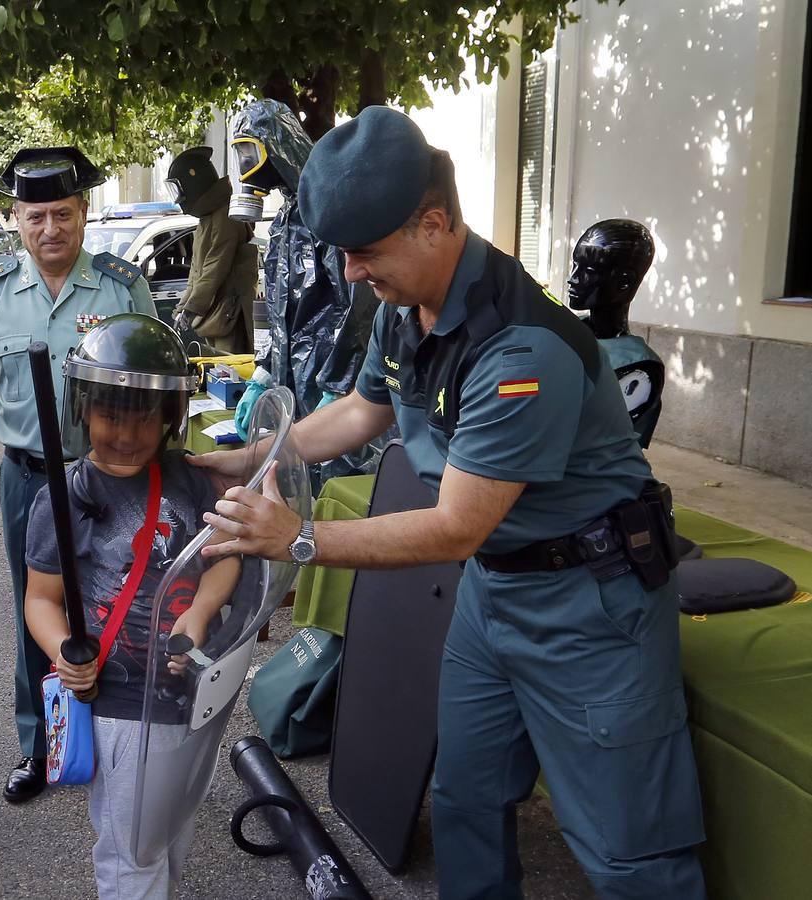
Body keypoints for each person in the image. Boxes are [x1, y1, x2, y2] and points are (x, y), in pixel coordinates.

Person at [196, 107, 705, 898]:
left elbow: (455, 525)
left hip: (589, 611)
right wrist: (238, 461)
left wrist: (298, 539)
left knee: (627, 848)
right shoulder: (407, 311)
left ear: (433, 223)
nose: (353, 272)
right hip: (494, 595)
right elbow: (357, 413)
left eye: (364, 252)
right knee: (464, 797)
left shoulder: (520, 352)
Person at [22, 313, 239, 898]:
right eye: (110, 414)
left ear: (170, 417)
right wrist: (65, 653)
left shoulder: (191, 482)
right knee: (130, 852)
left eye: (144, 416)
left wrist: (199, 614)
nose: (125, 433)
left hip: (192, 695)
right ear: (82, 409)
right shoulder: (63, 497)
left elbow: (226, 558)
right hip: (119, 703)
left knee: (170, 835)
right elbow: (41, 599)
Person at [0, 146, 155, 803]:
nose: (50, 228)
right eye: (36, 215)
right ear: (15, 218)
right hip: (29, 478)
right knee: (36, 608)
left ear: (83, 214)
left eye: (64, 214)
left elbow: (150, 381)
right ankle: (39, 744)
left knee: (122, 599)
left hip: (113, 475)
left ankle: (123, 727)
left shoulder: (118, 286)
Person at [566, 218, 664, 447]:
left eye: (588, 270)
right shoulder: (566, 330)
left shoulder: (639, 367)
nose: (573, 278)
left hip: (595, 476)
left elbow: (600, 440)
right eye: (575, 265)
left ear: (624, 282)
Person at [164, 146, 258, 353]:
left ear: (193, 183)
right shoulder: (208, 218)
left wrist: (189, 309)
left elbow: (214, 269)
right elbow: (197, 272)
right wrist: (183, 308)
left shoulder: (225, 216)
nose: (180, 198)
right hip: (217, 315)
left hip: (231, 315)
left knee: (232, 374)